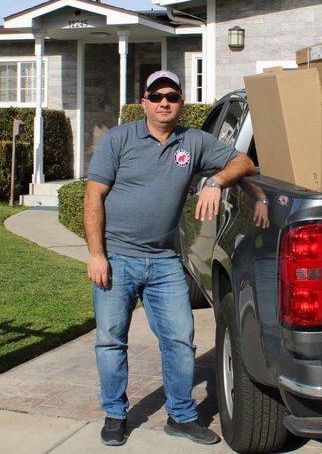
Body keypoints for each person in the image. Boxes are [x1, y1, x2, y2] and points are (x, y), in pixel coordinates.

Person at [84, 70, 255, 447]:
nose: (165, 102)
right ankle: (115, 414)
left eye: (173, 96)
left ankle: (181, 416)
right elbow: (93, 196)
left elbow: (245, 162)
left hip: (164, 261)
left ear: (180, 104)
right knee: (111, 341)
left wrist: (215, 181)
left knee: (180, 340)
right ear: (144, 101)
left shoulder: (192, 142)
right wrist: (97, 254)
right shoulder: (119, 139)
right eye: (157, 95)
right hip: (117, 258)